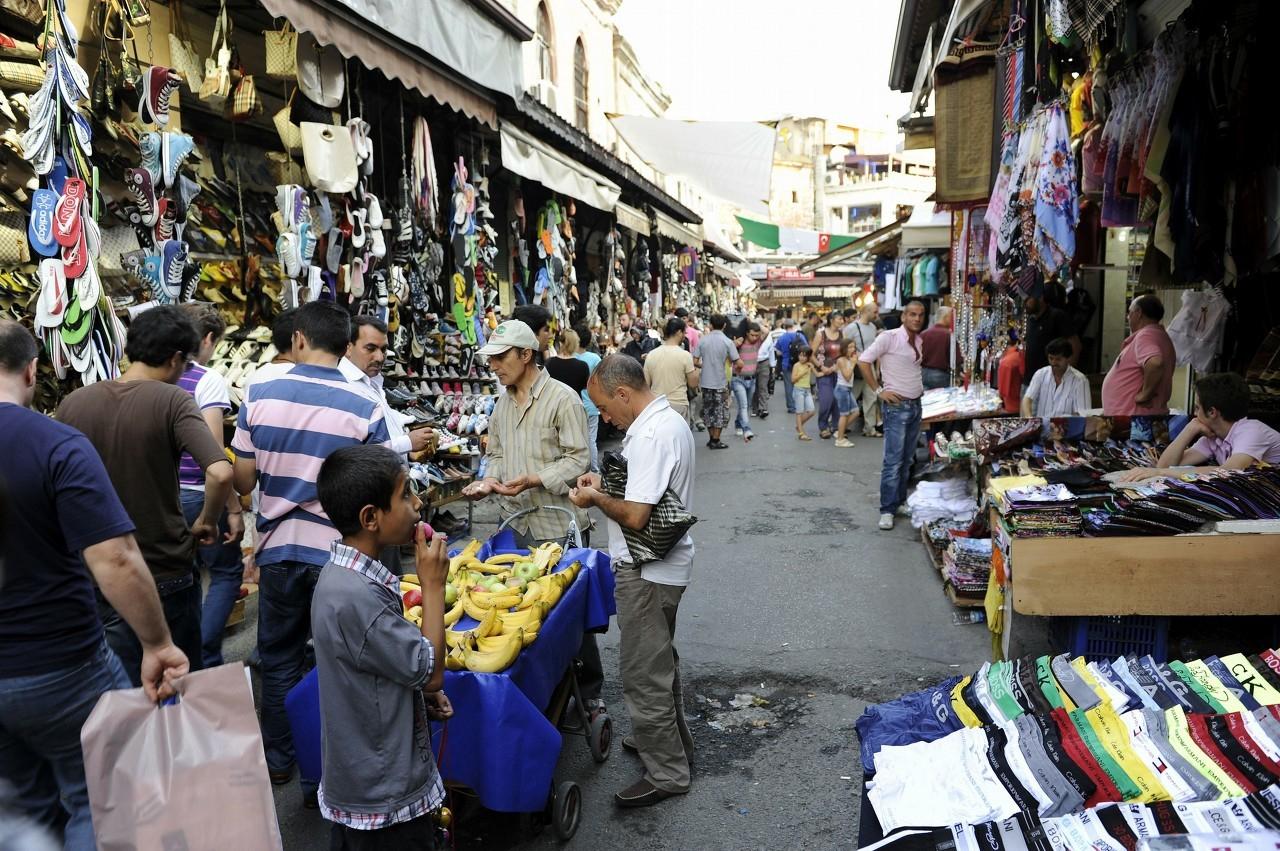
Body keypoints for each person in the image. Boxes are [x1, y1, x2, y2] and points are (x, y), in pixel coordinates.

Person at [0, 320, 189, 850]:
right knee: (98, 799)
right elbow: (117, 559)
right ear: (33, 370)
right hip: (57, 664)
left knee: (25, 810)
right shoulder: (55, 443)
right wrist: (157, 643)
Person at [231, 300, 391, 792]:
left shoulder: (258, 391)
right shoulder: (365, 405)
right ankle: (325, 773)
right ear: (345, 347)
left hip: (279, 549)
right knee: (338, 664)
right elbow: (380, 486)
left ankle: (280, 759)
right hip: (339, 557)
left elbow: (243, 475)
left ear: (297, 339)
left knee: (277, 658)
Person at [58, 305, 234, 684]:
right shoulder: (172, 400)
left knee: (123, 690)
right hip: (163, 565)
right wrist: (206, 520)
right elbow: (220, 471)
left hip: (99, 571)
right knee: (180, 685)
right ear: (175, 359)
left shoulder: (74, 403)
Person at [568, 355, 695, 808]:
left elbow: (638, 516)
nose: (604, 417)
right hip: (657, 567)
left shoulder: (653, 433)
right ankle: (662, 744)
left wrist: (594, 497)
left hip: (649, 571)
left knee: (644, 676)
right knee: (658, 666)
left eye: (604, 407)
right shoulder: (660, 423)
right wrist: (602, 483)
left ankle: (668, 773)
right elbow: (647, 491)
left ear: (623, 393)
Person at [460, 320, 603, 714]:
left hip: (558, 524)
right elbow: (498, 454)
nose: (494, 366)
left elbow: (578, 459)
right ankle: (544, 691)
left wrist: (534, 479)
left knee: (570, 614)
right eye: (490, 359)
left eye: (501, 357)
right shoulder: (503, 401)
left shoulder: (562, 398)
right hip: (516, 523)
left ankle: (591, 693)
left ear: (526, 355)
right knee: (525, 613)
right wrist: (490, 480)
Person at [312, 445, 451, 849]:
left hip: (366, 776)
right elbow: (431, 672)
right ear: (371, 518)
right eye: (406, 494)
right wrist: (433, 586)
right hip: (383, 797)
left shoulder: (341, 577)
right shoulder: (358, 597)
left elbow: (372, 670)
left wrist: (411, 700)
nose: (418, 503)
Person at [175, 303, 247, 668]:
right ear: (206, 339)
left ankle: (182, 654)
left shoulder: (151, 375)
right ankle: (204, 656)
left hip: (163, 496)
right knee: (225, 572)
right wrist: (233, 507)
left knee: (180, 577)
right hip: (199, 494)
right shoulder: (207, 379)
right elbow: (215, 454)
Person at [1117, 372, 1280, 482]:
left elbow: (1227, 472)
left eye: (1196, 408)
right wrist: (1190, 429)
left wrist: (1160, 473)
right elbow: (1165, 465)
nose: (1194, 414)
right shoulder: (1214, 437)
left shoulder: (1251, 430)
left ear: (1212, 412)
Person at [858, 298, 926, 531]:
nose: (917, 318)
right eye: (912, 314)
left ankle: (897, 503)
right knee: (893, 461)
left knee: (907, 460)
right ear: (903, 317)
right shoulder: (889, 337)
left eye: (920, 315)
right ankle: (886, 510)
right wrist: (879, 391)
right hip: (896, 408)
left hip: (915, 405)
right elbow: (863, 360)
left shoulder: (918, 339)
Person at [341, 315, 433, 459]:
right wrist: (407, 443)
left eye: (383, 349)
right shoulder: (345, 387)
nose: (379, 357)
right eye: (370, 348)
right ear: (348, 348)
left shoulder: (371, 382)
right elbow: (353, 452)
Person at [1101, 293, 1176, 415]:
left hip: (1135, 419)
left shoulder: (1146, 335)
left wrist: (1145, 394)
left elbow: (1155, 363)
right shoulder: (1158, 335)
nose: (1128, 317)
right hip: (1134, 418)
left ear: (1139, 312)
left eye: (1129, 312)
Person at [692, 314, 741, 450]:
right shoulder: (727, 342)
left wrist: (705, 365)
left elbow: (694, 361)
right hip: (720, 382)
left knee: (708, 410)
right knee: (720, 410)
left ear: (710, 325)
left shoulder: (703, 341)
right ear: (724, 325)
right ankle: (716, 439)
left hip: (706, 382)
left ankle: (711, 438)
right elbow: (737, 361)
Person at [1022, 288, 1080, 387]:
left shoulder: (1057, 316)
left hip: (1050, 383)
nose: (1026, 302)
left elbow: (1075, 345)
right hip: (1030, 382)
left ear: (1040, 297)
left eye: (1029, 298)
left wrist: (1065, 376)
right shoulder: (1031, 319)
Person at [1020, 337, 1090, 418]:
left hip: (1067, 429)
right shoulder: (1040, 374)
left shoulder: (1080, 381)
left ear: (1068, 359)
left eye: (1058, 359)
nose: (1053, 362)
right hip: (1042, 428)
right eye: (1051, 358)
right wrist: (1029, 418)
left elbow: (1083, 415)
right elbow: (1027, 399)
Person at [644, 317, 698, 422]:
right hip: (678, 405)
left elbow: (645, 384)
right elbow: (693, 384)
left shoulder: (651, 355)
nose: (684, 336)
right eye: (684, 333)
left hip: (657, 405)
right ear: (679, 332)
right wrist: (696, 371)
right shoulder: (685, 356)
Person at [845, 301, 882, 436]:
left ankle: (869, 427)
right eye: (874, 312)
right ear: (866, 311)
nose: (876, 315)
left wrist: (877, 368)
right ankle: (841, 425)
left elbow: (876, 348)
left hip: (869, 365)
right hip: (856, 366)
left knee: (871, 396)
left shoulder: (873, 327)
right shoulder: (851, 328)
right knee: (851, 396)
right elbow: (844, 346)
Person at [573, 324, 603, 472]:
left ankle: (578, 470)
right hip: (591, 405)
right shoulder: (594, 358)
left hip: (573, 406)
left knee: (575, 441)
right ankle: (594, 470)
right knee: (591, 440)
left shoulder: (569, 359)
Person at [812, 312, 846, 439]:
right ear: (832, 320)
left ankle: (836, 426)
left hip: (838, 371)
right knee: (827, 400)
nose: (842, 321)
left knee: (837, 400)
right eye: (839, 318)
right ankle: (823, 426)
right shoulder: (820, 334)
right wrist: (821, 367)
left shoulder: (843, 334)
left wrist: (836, 367)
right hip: (823, 372)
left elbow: (845, 353)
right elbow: (811, 354)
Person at [730, 322, 762, 443]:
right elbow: (728, 348)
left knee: (746, 405)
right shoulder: (739, 343)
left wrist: (747, 321)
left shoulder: (758, 343)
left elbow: (766, 332)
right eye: (752, 335)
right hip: (738, 379)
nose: (755, 337)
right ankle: (747, 429)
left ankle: (738, 423)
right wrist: (735, 342)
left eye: (757, 335)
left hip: (752, 379)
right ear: (747, 333)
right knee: (743, 405)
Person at [833, 338, 862, 447]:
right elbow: (847, 376)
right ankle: (840, 439)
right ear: (844, 348)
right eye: (849, 347)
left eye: (853, 346)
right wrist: (853, 363)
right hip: (842, 389)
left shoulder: (849, 359)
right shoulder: (841, 360)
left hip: (847, 389)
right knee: (844, 414)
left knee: (855, 412)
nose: (852, 349)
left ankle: (839, 431)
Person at [919, 306, 954, 390]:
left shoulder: (923, 334)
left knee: (926, 400)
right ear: (946, 317)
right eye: (951, 317)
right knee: (941, 400)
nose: (953, 321)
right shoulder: (948, 335)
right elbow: (955, 359)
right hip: (940, 375)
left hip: (922, 373)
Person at [546, 328, 590, 395]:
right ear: (576, 344)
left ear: (560, 343)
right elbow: (584, 386)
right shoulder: (582, 366)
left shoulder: (549, 363)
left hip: (554, 403)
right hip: (574, 403)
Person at [774, 319, 802, 415]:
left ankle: (791, 406)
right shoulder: (799, 336)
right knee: (800, 384)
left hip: (786, 364)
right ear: (793, 326)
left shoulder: (782, 338)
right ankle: (800, 405)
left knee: (789, 385)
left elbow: (778, 352)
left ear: (784, 326)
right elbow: (807, 348)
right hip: (800, 364)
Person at [791, 347, 817, 441]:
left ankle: (798, 425)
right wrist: (804, 373)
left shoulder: (809, 365)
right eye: (800, 355)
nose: (802, 358)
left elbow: (817, 374)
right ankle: (801, 433)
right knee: (799, 412)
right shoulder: (796, 365)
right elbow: (793, 380)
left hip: (807, 390)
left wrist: (827, 371)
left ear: (808, 357)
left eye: (804, 356)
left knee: (812, 411)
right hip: (798, 389)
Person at [753, 320, 777, 418]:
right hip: (752, 362)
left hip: (764, 362)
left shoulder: (767, 337)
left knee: (762, 386)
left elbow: (771, 350)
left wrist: (772, 365)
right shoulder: (753, 336)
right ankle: (754, 408)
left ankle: (763, 408)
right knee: (754, 387)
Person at [998, 333, 1026, 414]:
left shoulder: (1007, 362)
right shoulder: (1020, 355)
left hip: (1012, 405)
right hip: (1023, 401)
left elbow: (1003, 391)